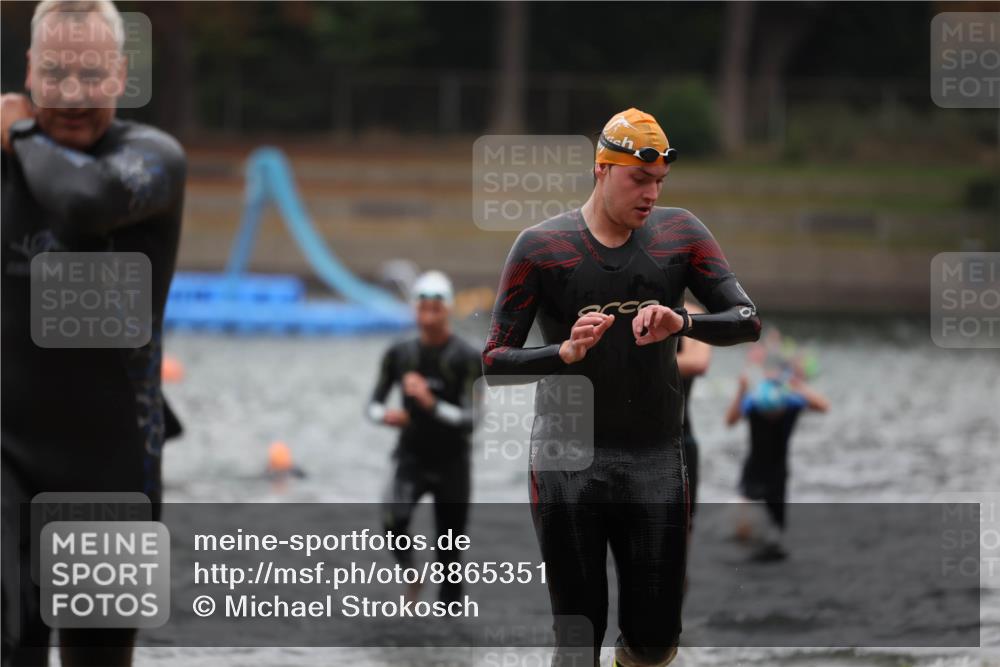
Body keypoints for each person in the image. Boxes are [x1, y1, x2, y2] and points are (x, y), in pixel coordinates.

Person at [482, 108, 761, 667]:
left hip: (653, 457)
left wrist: (683, 322)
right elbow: (493, 361)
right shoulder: (541, 247)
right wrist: (562, 353)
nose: (652, 194)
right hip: (566, 461)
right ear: (602, 169)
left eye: (660, 181)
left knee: (656, 642)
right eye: (639, 179)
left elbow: (747, 320)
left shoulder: (682, 235)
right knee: (578, 639)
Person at [1, 1, 186, 664]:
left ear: (121, 75)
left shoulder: (151, 160)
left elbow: (84, 204)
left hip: (112, 471)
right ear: (29, 70)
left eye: (91, 73)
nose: (73, 93)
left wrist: (22, 132)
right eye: (55, 73)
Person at [367, 271, 481, 603]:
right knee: (393, 521)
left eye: (436, 307)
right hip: (411, 456)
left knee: (450, 556)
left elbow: (472, 419)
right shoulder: (399, 354)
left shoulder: (467, 357)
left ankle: (450, 626)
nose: (429, 315)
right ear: (414, 310)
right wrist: (387, 416)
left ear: (448, 310)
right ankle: (412, 574)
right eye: (423, 307)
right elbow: (373, 405)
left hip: (452, 462)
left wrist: (431, 404)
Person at [724, 351, 829, 559]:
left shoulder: (790, 404)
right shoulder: (756, 403)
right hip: (755, 469)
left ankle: (765, 545)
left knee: (776, 529)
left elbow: (823, 406)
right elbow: (730, 421)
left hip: (777, 472)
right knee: (744, 525)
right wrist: (741, 391)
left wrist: (798, 385)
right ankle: (748, 543)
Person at [676, 302, 712, 521]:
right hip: (620, 441)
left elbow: (699, 362)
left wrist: (634, 362)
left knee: (684, 523)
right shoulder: (622, 307)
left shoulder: (691, 312)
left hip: (679, 437)